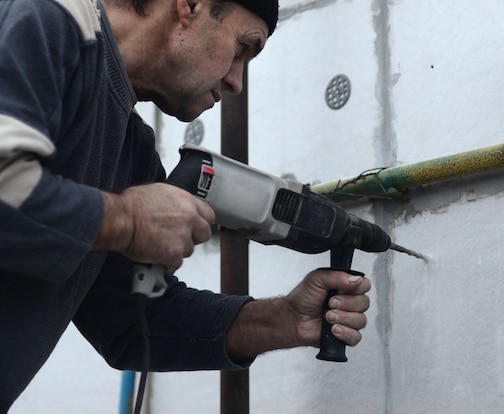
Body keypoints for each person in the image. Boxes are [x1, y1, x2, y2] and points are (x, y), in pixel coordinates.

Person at [0, 0, 371, 410]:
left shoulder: (131, 152)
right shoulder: (45, 19)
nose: (236, 82)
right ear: (190, 6)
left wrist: (283, 319)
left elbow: (132, 324)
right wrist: (129, 220)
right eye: (242, 48)